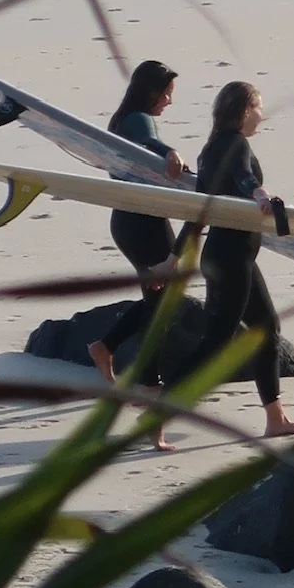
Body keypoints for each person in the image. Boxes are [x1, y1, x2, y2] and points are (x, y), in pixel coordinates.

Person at [186, 80, 294, 439]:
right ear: (242, 111)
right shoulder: (236, 145)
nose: (261, 115)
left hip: (230, 256)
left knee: (266, 330)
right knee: (217, 342)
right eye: (258, 107)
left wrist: (175, 256)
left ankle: (275, 419)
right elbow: (245, 178)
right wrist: (261, 195)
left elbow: (199, 210)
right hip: (231, 258)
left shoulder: (209, 150)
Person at [88, 60, 187, 446]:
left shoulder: (124, 117)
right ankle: (150, 390)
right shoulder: (139, 120)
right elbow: (149, 145)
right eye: (166, 94)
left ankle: (105, 347)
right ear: (151, 92)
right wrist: (170, 150)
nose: (168, 102)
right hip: (143, 225)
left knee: (156, 303)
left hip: (129, 222)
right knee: (162, 308)